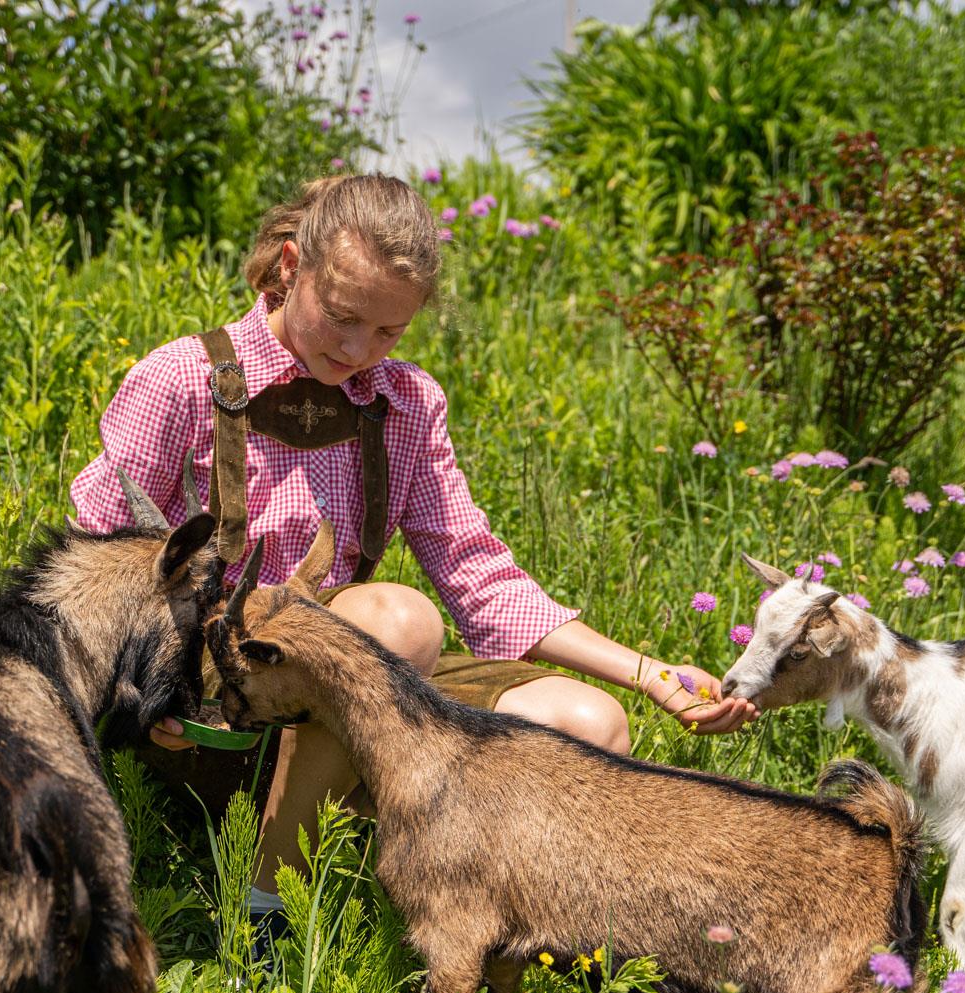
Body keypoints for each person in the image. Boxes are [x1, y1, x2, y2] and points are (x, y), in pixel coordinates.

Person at [71, 173, 757, 936]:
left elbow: (482, 577)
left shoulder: (404, 404)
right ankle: (267, 911)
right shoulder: (183, 379)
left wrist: (650, 675)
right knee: (396, 621)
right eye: (341, 317)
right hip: (207, 698)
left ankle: (496, 951)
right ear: (292, 266)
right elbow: (93, 563)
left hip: (349, 701)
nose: (359, 350)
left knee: (587, 724)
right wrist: (143, 692)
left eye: (388, 332)